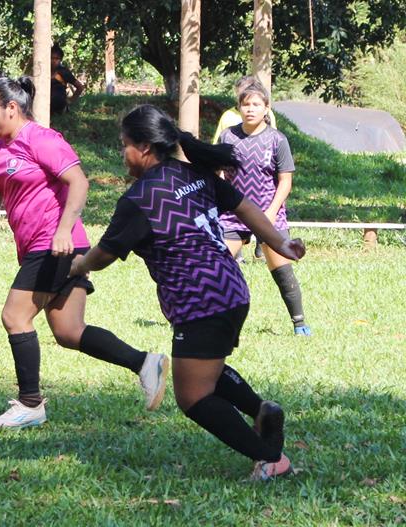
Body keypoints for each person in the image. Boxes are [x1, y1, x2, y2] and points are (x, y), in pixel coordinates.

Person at [69, 104, 303, 480]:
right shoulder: (193, 173)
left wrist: (78, 266)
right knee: (202, 368)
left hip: (200, 300)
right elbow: (247, 209)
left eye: (125, 145)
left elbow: (103, 255)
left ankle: (270, 458)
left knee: (193, 397)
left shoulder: (140, 199)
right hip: (231, 288)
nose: (122, 154)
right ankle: (262, 412)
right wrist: (282, 241)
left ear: (144, 147)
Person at [0, 77, 169, 429]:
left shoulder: (41, 139)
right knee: (69, 331)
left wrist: (62, 230)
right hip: (37, 246)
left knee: (15, 317)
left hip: (56, 243)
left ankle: (30, 404)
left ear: (12, 108)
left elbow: (79, 181)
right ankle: (145, 362)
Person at [217, 80, 311, 336]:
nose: (250, 109)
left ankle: (299, 322)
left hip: (270, 215)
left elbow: (285, 181)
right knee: (218, 266)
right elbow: (221, 174)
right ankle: (213, 320)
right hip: (234, 215)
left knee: (281, 270)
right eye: (245, 104)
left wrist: (270, 212)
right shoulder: (228, 137)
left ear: (266, 108)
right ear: (239, 108)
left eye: (256, 105)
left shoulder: (277, 140)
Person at [213, 75, 278, 262]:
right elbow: (219, 147)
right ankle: (237, 253)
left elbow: (272, 140)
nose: (250, 108)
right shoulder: (229, 118)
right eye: (244, 100)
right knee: (233, 219)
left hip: (262, 180)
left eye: (255, 103)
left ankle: (261, 245)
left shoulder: (272, 127)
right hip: (235, 179)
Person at [50, 44, 84, 115]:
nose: (54, 61)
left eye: (56, 58)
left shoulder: (64, 72)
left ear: (60, 60)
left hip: (59, 107)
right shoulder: (42, 72)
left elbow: (80, 87)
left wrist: (70, 101)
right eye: (52, 58)